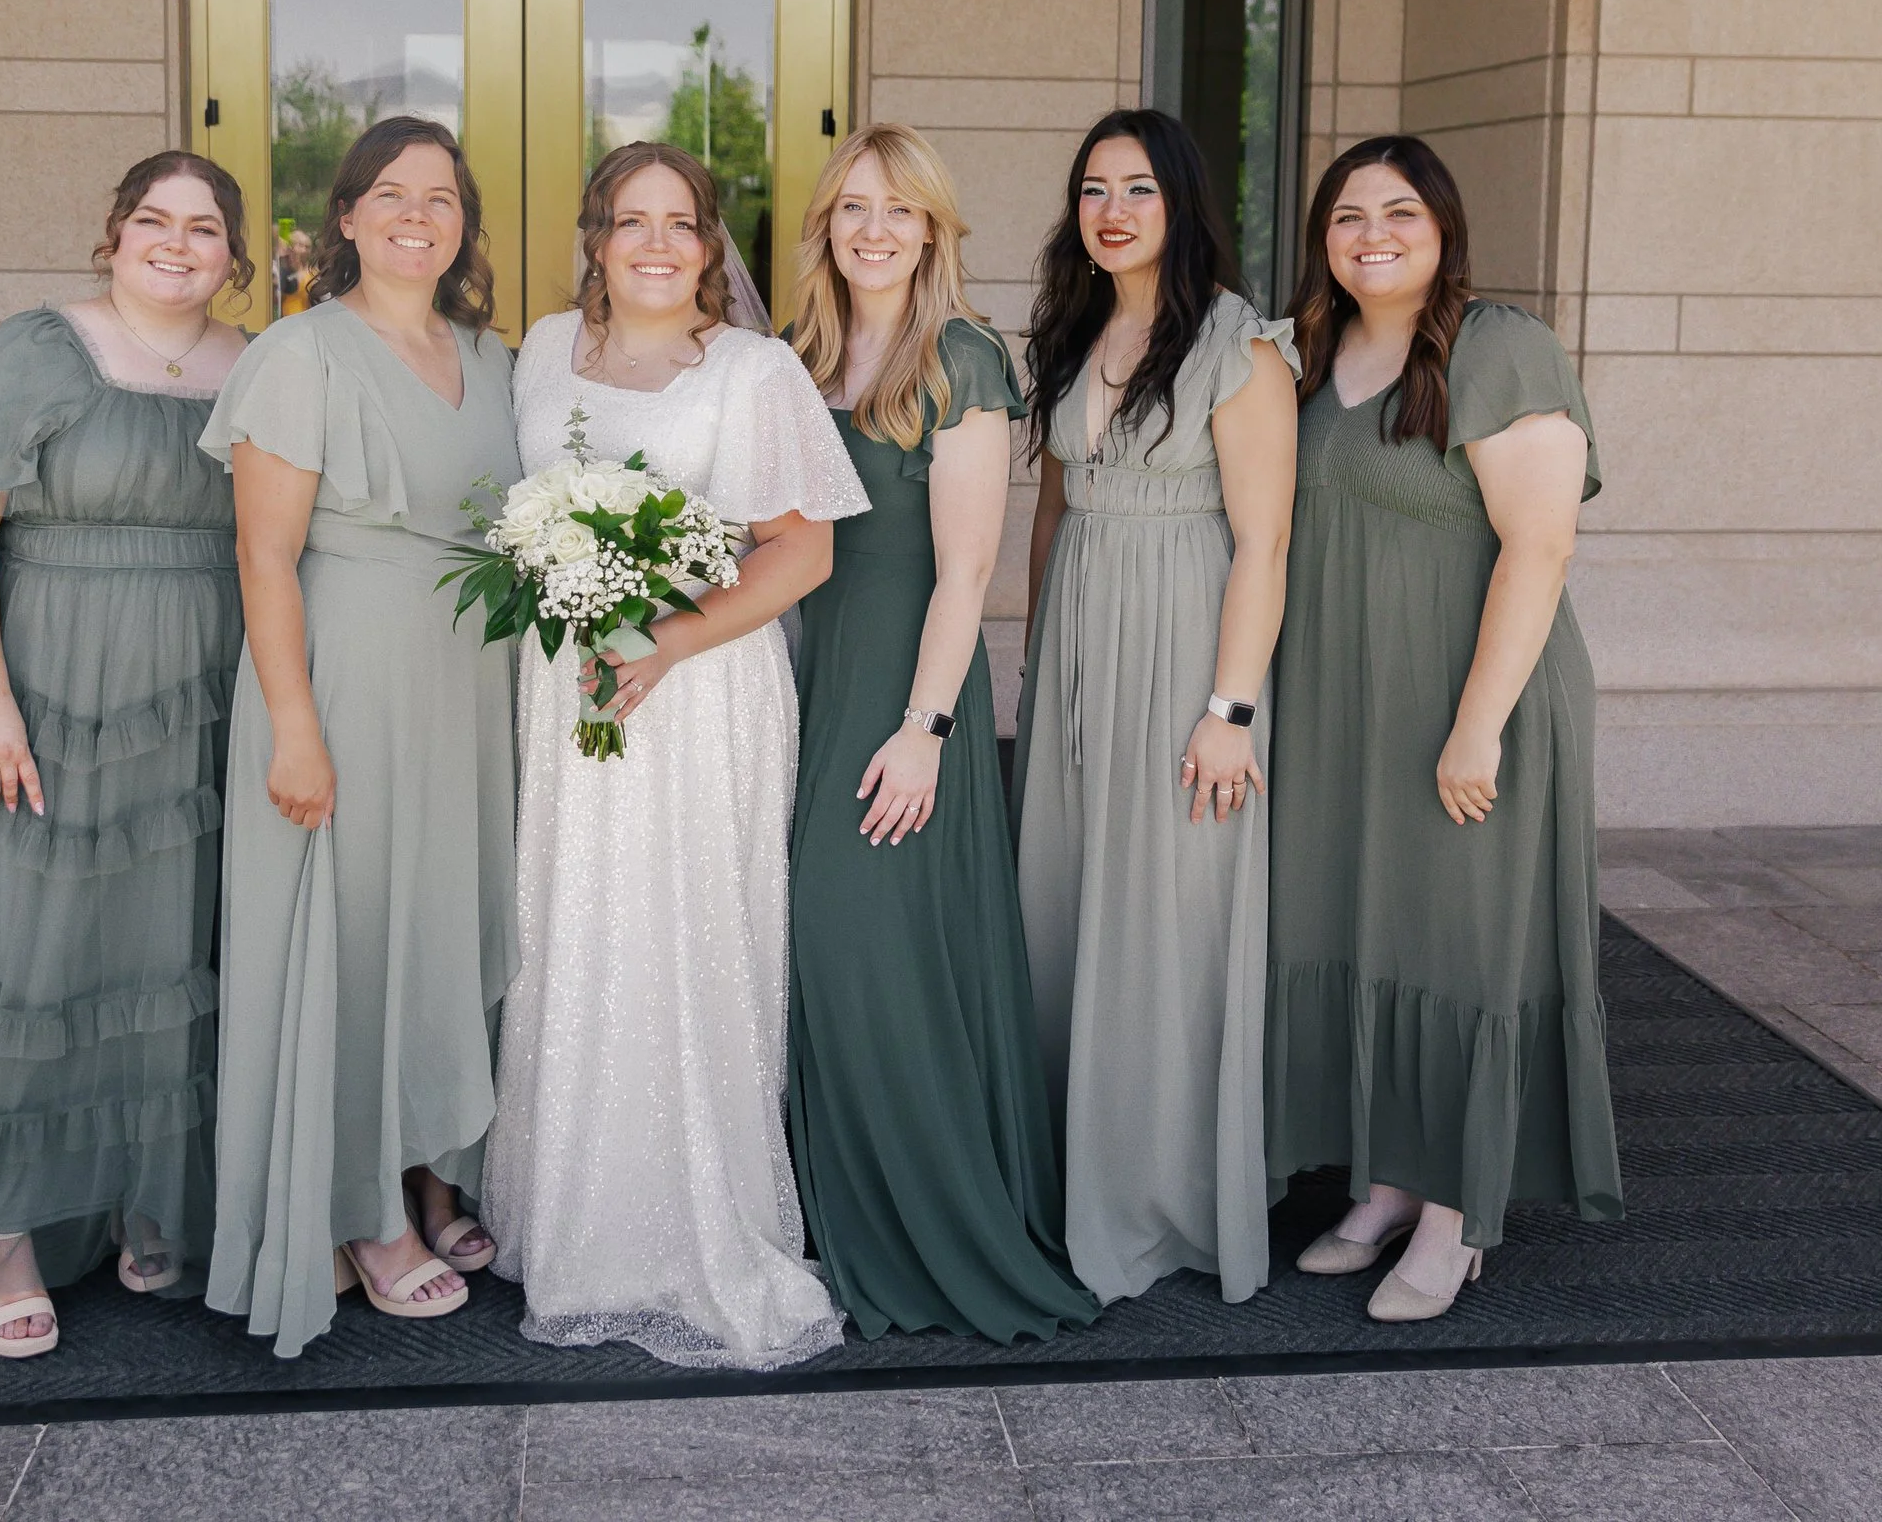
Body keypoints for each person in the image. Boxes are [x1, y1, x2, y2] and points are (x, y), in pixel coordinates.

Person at [484, 141, 868, 1371]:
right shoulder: (542, 351)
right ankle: (574, 1224)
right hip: (564, 691)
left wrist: (658, 638)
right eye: (629, 220)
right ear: (593, 236)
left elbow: (799, 555)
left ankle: (691, 1230)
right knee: (573, 934)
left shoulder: (752, 370)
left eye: (682, 222)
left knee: (684, 936)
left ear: (712, 246)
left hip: (695, 692)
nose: (656, 243)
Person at [0, 151, 252, 1359]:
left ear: (233, 256)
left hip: (200, 688)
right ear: (112, 236)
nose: (176, 243)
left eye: (203, 228)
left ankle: (142, 1195)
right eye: (153, 219)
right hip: (49, 684)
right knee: (31, 954)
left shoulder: (253, 368)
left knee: (167, 948)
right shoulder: (37, 349)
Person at [1266, 133, 1620, 1321]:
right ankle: (1390, 1177)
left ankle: (1462, 1214)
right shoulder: (1314, 353)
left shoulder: (1498, 345)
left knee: (1469, 949)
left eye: (1399, 211)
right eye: (1346, 215)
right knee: (1374, 931)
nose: (1371, 234)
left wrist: (1477, 726)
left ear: (1443, 225)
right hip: (1344, 703)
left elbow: (1541, 542)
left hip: (1473, 697)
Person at [203, 116, 519, 1355]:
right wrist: (294, 727)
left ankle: (438, 1167)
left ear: (462, 224)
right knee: (360, 939)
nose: (414, 214)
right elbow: (262, 555)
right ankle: (362, 1209)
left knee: (447, 924)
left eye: (439, 197)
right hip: (346, 678)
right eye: (389, 194)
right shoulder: (300, 354)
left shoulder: (491, 357)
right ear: (345, 217)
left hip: (471, 686)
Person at [782, 123, 1101, 1343]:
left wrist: (922, 728)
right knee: (814, 954)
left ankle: (925, 1223)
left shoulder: (961, 355)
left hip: (904, 690)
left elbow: (968, 573)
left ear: (932, 229)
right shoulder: (798, 354)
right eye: (852, 206)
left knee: (870, 946)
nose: (873, 228)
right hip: (805, 676)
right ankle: (835, 1206)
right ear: (826, 224)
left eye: (898, 209)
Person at [1013, 108, 1297, 1308]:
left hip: (1189, 644)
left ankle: (1167, 1201)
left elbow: (1266, 540)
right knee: (1068, 905)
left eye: (1136, 188)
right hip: (1082, 636)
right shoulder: (1076, 329)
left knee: (1171, 923)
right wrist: (1038, 661)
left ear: (1179, 203)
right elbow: (1054, 510)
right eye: (1092, 188)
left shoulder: (1241, 346)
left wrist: (1228, 706)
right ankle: (1070, 1181)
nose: (1112, 209)